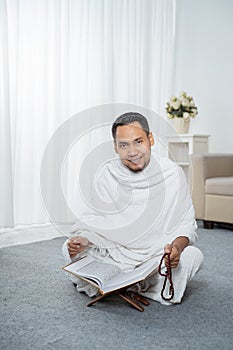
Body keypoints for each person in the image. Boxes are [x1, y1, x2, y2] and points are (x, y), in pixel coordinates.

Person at [62, 112, 203, 305]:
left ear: (150, 139)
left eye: (138, 142)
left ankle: (121, 284)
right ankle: (135, 285)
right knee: (67, 248)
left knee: (192, 256)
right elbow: (94, 219)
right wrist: (82, 241)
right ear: (115, 147)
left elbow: (186, 224)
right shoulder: (107, 173)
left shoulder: (172, 173)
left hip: (154, 255)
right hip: (115, 253)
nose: (132, 152)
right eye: (123, 145)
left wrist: (175, 250)